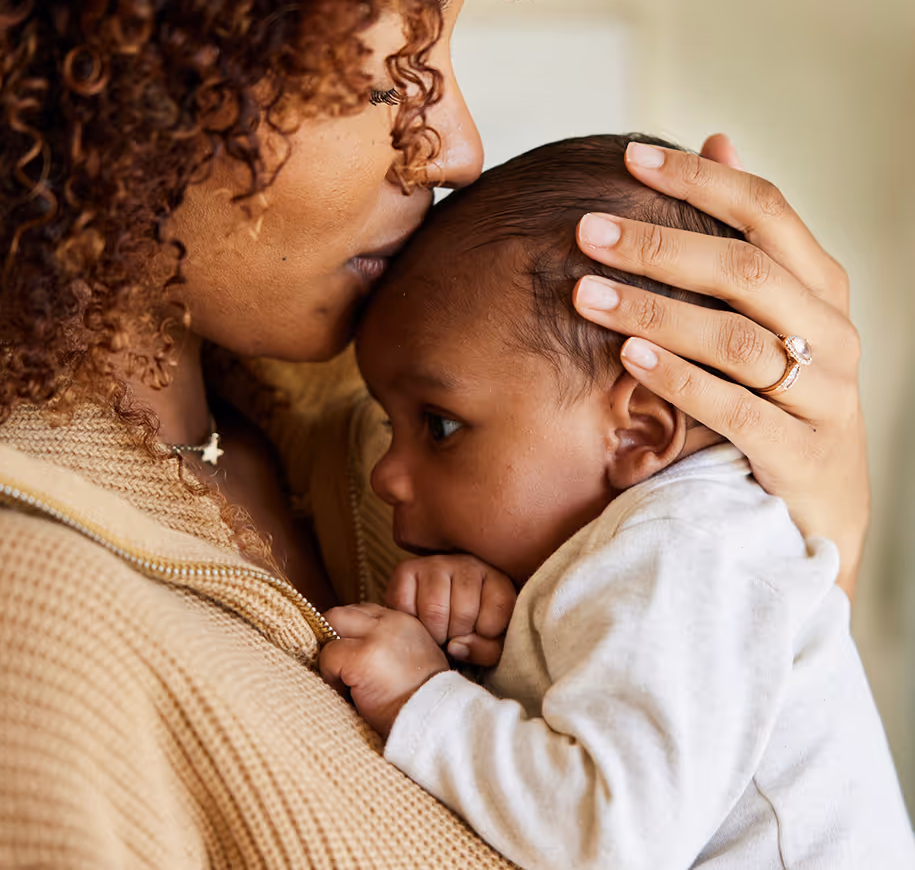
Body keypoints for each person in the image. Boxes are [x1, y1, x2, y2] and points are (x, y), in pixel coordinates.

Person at [0, 0, 873, 865]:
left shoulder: (443, 418)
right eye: (384, 75)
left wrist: (801, 521)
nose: (455, 146)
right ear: (100, 54)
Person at [323, 135, 915, 869]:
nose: (385, 475)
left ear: (638, 428)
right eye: (389, 422)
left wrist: (425, 697)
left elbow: (611, 835)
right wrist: (503, 645)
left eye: (438, 425)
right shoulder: (663, 543)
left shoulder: (685, 549)